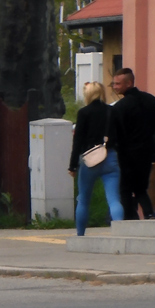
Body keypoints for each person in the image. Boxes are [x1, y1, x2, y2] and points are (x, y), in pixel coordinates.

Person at [110, 68, 155, 220]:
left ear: (129, 83)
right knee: (141, 187)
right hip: (147, 151)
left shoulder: (120, 107)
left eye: (118, 84)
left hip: (125, 153)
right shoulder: (150, 100)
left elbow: (114, 133)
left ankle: (130, 218)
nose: (115, 87)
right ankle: (149, 214)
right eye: (114, 83)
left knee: (125, 188)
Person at [68, 81, 124, 237]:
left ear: (88, 94)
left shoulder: (84, 113)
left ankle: (80, 234)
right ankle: (119, 233)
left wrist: (72, 166)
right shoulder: (112, 111)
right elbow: (121, 136)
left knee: (84, 199)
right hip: (111, 156)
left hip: (89, 160)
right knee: (114, 199)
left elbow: (77, 141)